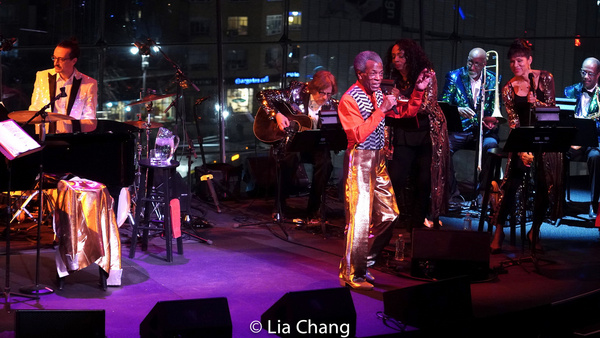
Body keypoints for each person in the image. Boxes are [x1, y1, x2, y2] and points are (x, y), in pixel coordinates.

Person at [338, 50, 432, 290]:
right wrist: (381, 110)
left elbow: (403, 113)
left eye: (381, 72)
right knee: (359, 220)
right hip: (360, 159)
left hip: (378, 158)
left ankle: (363, 263)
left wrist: (418, 90)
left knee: (390, 214)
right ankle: (352, 274)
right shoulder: (349, 99)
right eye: (373, 73)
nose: (379, 77)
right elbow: (357, 135)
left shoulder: (379, 93)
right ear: (360, 74)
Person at [490, 38, 563, 253]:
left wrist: (536, 103)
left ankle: (535, 230)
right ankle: (498, 231)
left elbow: (552, 112)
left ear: (529, 60)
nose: (516, 65)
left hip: (544, 140)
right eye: (512, 62)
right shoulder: (508, 89)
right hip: (522, 141)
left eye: (520, 60)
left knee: (544, 184)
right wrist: (521, 150)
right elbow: (513, 122)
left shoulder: (546, 78)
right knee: (511, 184)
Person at [383, 38, 449, 231]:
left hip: (426, 134)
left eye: (401, 55)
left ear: (411, 56)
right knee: (396, 177)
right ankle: (394, 220)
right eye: (394, 55)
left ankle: (416, 225)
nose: (396, 59)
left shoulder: (426, 75)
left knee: (423, 181)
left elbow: (425, 106)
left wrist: (398, 104)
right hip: (404, 132)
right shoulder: (393, 78)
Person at [256, 70, 338, 223]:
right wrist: (277, 115)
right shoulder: (297, 92)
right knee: (289, 159)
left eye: (329, 94)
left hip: (314, 144)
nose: (326, 97)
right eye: (323, 93)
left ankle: (313, 210)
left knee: (326, 163)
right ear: (314, 88)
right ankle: (280, 206)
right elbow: (262, 95)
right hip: (292, 141)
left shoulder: (332, 105)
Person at [440, 47, 501, 209]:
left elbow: (494, 108)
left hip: (484, 130)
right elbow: (443, 104)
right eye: (470, 62)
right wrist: (458, 110)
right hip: (461, 128)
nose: (472, 67)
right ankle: (453, 195)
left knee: (492, 148)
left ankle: (483, 194)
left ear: (484, 64)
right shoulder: (455, 76)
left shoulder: (493, 79)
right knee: (443, 148)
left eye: (477, 64)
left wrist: (491, 119)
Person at [29, 38, 97, 133]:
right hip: (45, 136)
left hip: (72, 139)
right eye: (54, 58)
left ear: (73, 61)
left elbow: (90, 119)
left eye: (61, 59)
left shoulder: (89, 83)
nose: (56, 63)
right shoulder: (42, 76)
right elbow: (34, 109)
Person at [564, 57, 600, 218]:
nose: (585, 76)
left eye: (590, 74)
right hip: (573, 144)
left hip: (593, 144)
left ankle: (594, 204)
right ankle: (559, 202)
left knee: (596, 157)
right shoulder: (572, 91)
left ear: (598, 75)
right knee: (557, 155)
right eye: (583, 72)